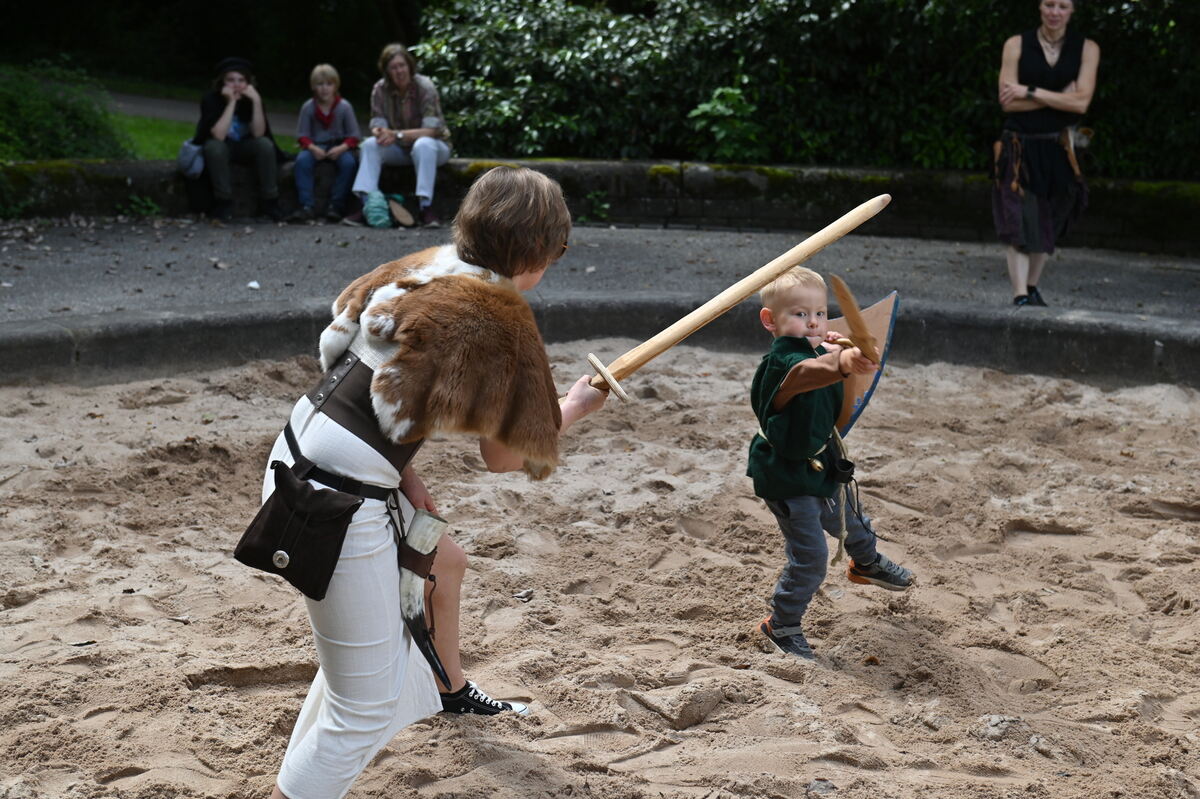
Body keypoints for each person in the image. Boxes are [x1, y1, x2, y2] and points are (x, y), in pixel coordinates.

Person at [263, 166, 605, 799]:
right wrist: (576, 407)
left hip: (301, 448)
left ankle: (448, 688)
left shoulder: (427, 262)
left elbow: (342, 354)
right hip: (333, 500)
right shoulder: (504, 316)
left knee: (442, 562)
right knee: (362, 707)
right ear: (537, 254)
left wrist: (403, 472)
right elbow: (504, 457)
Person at [747, 267, 914, 661]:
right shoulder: (783, 361)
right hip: (786, 475)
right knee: (811, 558)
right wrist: (841, 363)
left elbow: (832, 377)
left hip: (819, 462)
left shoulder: (821, 349)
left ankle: (866, 563)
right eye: (799, 314)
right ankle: (781, 625)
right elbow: (804, 374)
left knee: (852, 520)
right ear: (770, 321)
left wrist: (846, 356)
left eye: (819, 313)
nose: (813, 322)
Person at [994, 0, 1100, 307]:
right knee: (1019, 215)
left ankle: (1031, 287)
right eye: (1049, 4)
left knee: (1051, 217)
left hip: (1058, 145)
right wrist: (1061, 97)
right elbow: (1007, 103)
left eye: (1062, 6)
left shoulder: (1087, 48)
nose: (1055, 12)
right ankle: (1020, 294)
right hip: (1019, 144)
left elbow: (1081, 104)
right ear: (1039, 7)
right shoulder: (1016, 44)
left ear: (1072, 10)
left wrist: (1030, 91)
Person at [343, 43, 452, 228]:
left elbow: (432, 130)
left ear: (409, 66)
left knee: (423, 144)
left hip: (434, 147)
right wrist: (380, 133)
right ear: (387, 72)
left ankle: (426, 207)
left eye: (402, 66)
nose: (399, 71)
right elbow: (377, 123)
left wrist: (397, 134)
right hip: (400, 149)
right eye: (394, 68)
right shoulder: (380, 89)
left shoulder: (425, 87)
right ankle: (367, 205)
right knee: (369, 145)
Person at [194, 57, 285, 223]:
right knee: (214, 147)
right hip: (223, 147)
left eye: (241, 80)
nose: (236, 84)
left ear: (249, 83)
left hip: (245, 145)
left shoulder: (252, 100)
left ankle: (270, 201)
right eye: (230, 80)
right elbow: (218, 135)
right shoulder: (211, 99)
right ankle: (223, 201)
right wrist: (231, 103)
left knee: (264, 145)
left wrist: (256, 101)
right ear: (222, 82)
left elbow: (259, 133)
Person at [290, 64, 361, 223]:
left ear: (335, 85)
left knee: (349, 164)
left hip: (339, 146)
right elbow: (302, 135)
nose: (324, 89)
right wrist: (312, 148)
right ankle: (306, 205)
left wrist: (342, 148)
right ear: (313, 87)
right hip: (316, 146)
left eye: (329, 84)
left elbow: (354, 135)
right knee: (302, 162)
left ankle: (336, 205)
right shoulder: (308, 107)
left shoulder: (344, 107)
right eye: (320, 84)